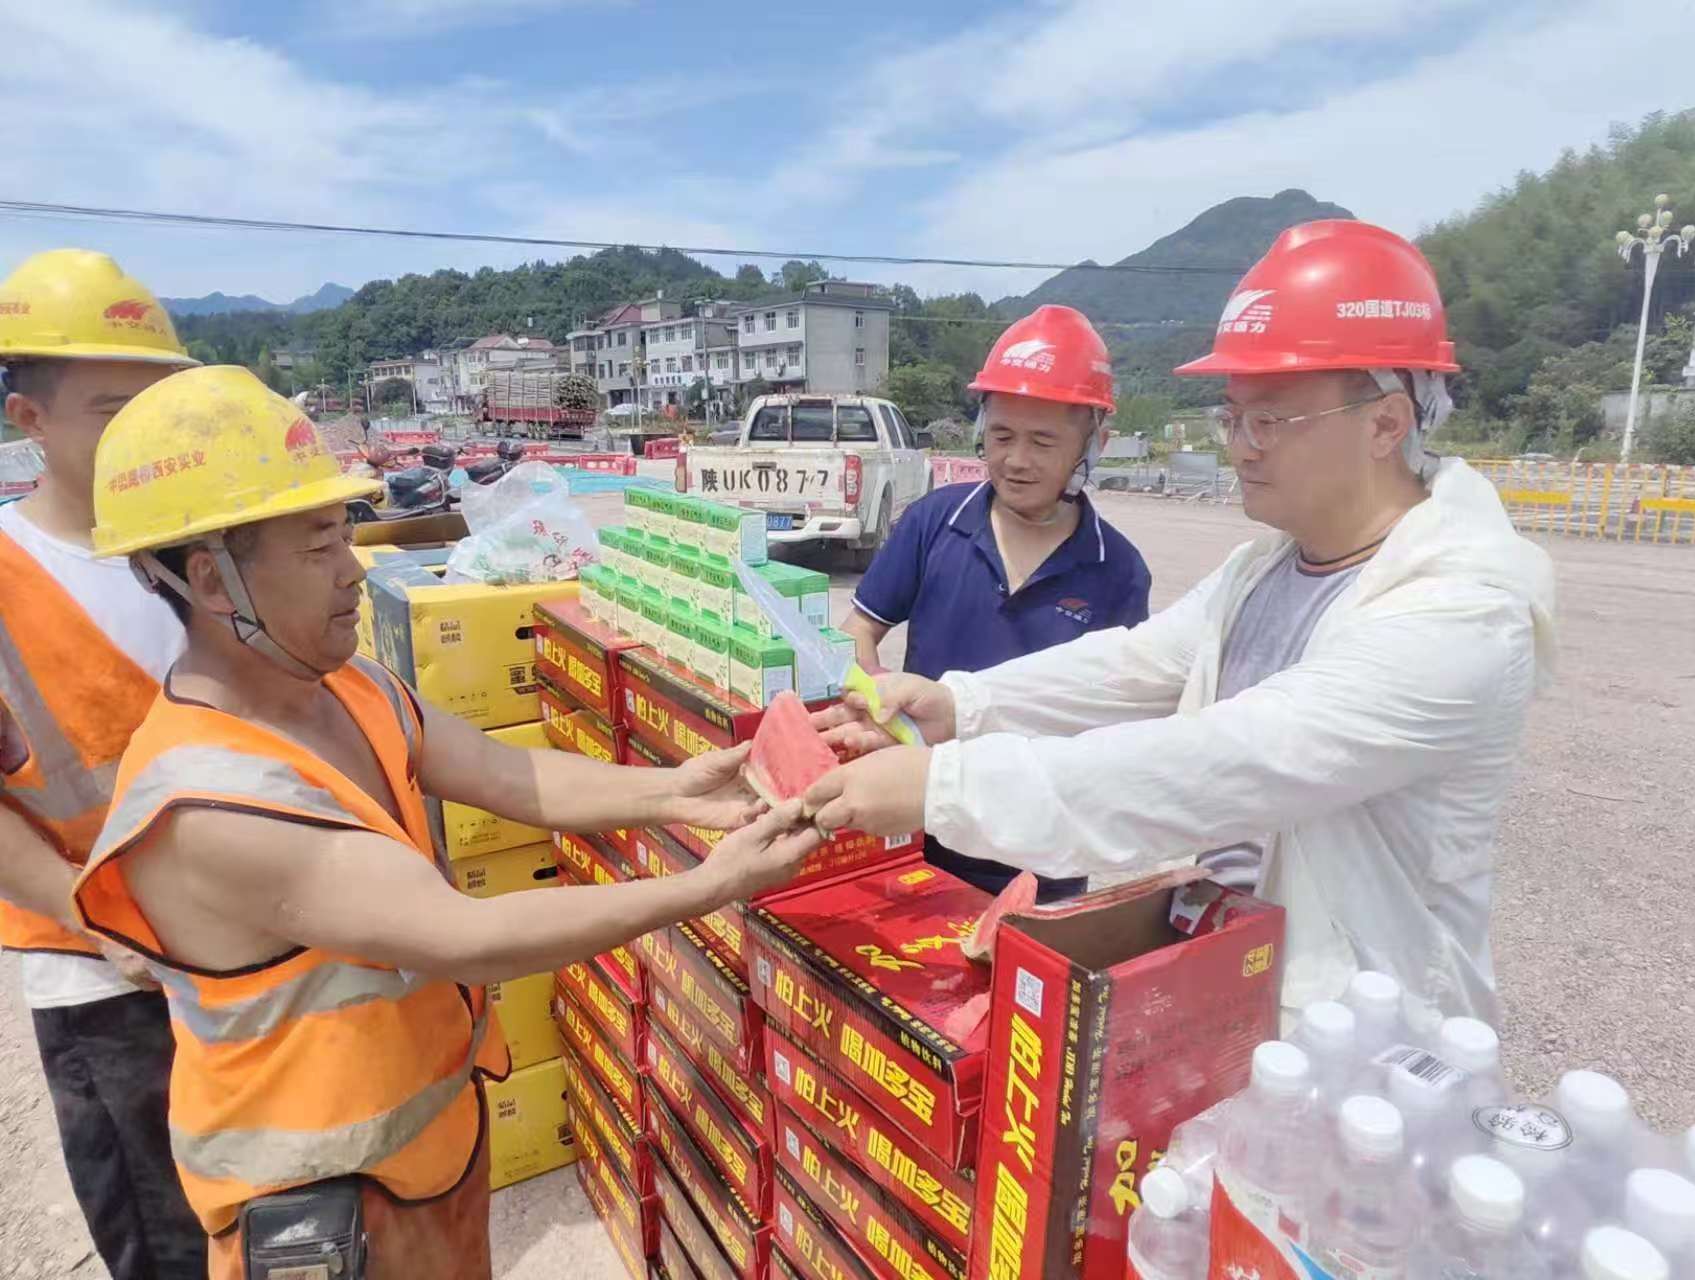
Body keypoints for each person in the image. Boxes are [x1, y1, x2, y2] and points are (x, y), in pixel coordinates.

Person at [70, 365, 821, 1279]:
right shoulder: (207, 806)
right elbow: (465, 936)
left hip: (426, 1157)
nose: (353, 568)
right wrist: (711, 884)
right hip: (318, 1214)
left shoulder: (343, 683)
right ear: (212, 579)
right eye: (316, 547)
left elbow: (513, 774)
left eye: (343, 532)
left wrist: (673, 790)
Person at [806, 220, 1557, 1029]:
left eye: (1270, 421)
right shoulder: (1266, 567)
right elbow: (1134, 665)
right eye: (1233, 417)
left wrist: (941, 786)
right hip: (1239, 975)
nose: (1240, 448)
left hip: (1367, 1036)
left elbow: (1222, 761)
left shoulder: (1459, 610)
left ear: (1385, 422)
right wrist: (958, 705)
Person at [0, 249, 208, 1278]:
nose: (144, 431)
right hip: (103, 976)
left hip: (245, 942)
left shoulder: (191, 544)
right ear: (30, 420)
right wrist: (101, 923)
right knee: (167, 1236)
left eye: (156, 402)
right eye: (111, 407)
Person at [841, 305, 1150, 900]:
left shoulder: (1118, 569)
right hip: (919, 820)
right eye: (1002, 436)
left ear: (1095, 443)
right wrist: (879, 714)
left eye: (1042, 441)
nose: (1015, 460)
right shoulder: (935, 521)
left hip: (1039, 850)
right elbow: (860, 628)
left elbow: (1114, 716)